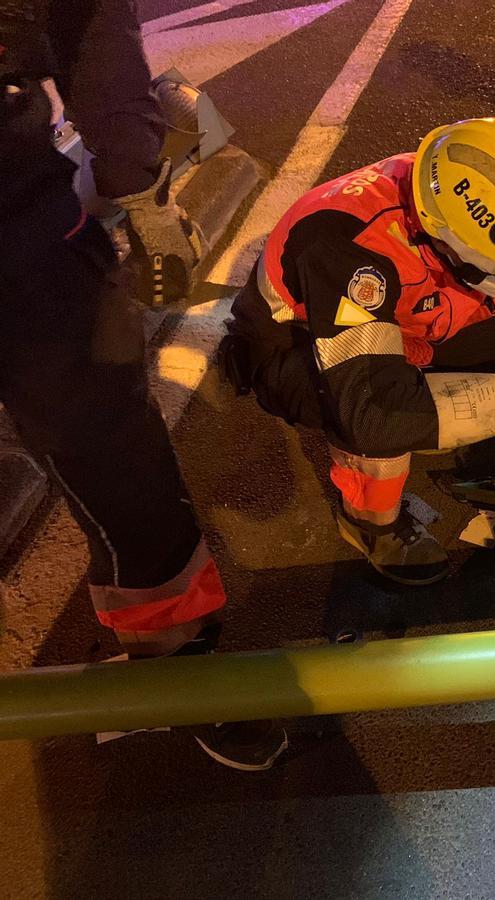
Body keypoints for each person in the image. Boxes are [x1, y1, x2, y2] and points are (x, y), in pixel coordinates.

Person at [1, 0, 285, 769]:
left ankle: (174, 652)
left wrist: (141, 191)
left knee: (109, 444)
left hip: (12, 210)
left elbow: (84, 19)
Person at [220, 117, 495, 584]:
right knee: (378, 433)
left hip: (410, 318)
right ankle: (370, 524)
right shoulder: (348, 247)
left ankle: (493, 415)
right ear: (445, 240)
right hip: (301, 347)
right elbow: (375, 411)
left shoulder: (467, 196)